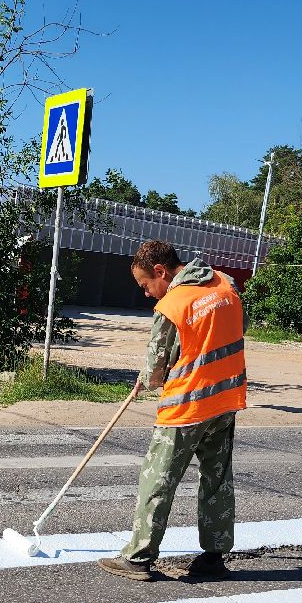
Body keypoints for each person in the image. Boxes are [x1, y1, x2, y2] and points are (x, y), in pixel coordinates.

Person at [97, 241, 244, 582]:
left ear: (161, 272)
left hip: (186, 407)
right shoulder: (226, 285)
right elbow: (233, 331)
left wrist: (145, 379)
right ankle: (214, 557)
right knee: (217, 479)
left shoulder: (173, 304)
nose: (147, 294)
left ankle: (138, 557)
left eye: (146, 285)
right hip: (225, 402)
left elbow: (154, 373)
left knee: (157, 480)